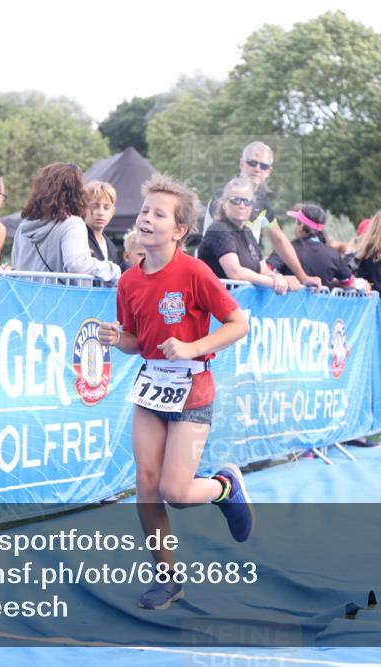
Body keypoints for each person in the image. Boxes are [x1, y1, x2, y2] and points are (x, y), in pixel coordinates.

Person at [96, 174, 252, 610]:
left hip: (193, 391)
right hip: (151, 389)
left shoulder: (195, 272)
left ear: (179, 230)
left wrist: (192, 348)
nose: (146, 219)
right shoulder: (128, 280)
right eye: (145, 211)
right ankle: (167, 577)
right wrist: (117, 337)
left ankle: (225, 487)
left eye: (158, 214)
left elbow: (240, 324)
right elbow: (135, 341)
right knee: (146, 485)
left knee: (178, 493)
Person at [202, 141, 319, 288]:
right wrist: (273, 281)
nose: (257, 169)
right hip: (219, 280)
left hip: (244, 283)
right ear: (241, 164)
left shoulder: (262, 202)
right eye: (252, 163)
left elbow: (279, 239)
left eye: (263, 166)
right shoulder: (224, 195)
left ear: (268, 171)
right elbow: (233, 268)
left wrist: (301, 277)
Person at [11, 162, 121, 283]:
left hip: (25, 297)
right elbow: (77, 265)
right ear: (75, 191)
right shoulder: (72, 224)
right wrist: (112, 269)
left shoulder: (24, 225)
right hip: (61, 298)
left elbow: (16, 263)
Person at [197, 178, 292, 294]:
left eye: (247, 201)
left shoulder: (247, 232)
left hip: (241, 306)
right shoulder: (219, 230)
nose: (242, 205)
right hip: (214, 305)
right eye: (236, 200)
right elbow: (235, 273)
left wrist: (277, 277)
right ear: (224, 204)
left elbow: (262, 269)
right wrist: (272, 283)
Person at [266, 203, 354, 289]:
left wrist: (280, 277)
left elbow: (265, 271)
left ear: (301, 226)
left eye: (296, 222)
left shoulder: (285, 250)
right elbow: (350, 283)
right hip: (320, 304)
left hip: (287, 303)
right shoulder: (333, 254)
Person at [83, 181, 121, 268]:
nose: (101, 212)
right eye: (95, 206)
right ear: (84, 208)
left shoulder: (111, 247)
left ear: (112, 212)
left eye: (106, 207)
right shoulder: (77, 238)